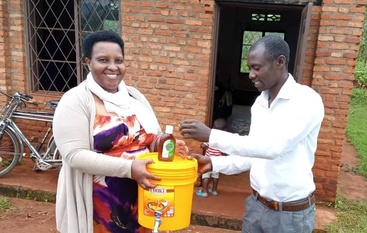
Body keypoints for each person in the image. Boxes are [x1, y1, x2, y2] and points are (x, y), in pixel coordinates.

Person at [179, 35, 325, 233]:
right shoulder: (260, 103)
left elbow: (273, 148)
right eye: (250, 68)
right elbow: (255, 152)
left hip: (289, 216)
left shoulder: (306, 101)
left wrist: (211, 135)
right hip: (256, 206)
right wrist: (214, 164)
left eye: (257, 68)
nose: (251, 74)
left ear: (280, 62)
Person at [53, 30, 189, 233]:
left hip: (143, 196)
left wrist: (164, 144)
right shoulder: (75, 101)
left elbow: (148, 138)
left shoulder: (134, 97)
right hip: (102, 202)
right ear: (88, 62)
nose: (113, 67)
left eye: (119, 60)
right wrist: (130, 168)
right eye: (103, 60)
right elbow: (74, 155)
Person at [195, 118, 227, 198]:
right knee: (215, 176)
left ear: (212, 128)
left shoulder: (211, 138)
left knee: (206, 176)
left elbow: (202, 145)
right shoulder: (223, 140)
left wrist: (203, 145)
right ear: (225, 130)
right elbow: (224, 152)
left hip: (208, 161)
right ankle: (214, 190)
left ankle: (204, 192)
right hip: (217, 162)